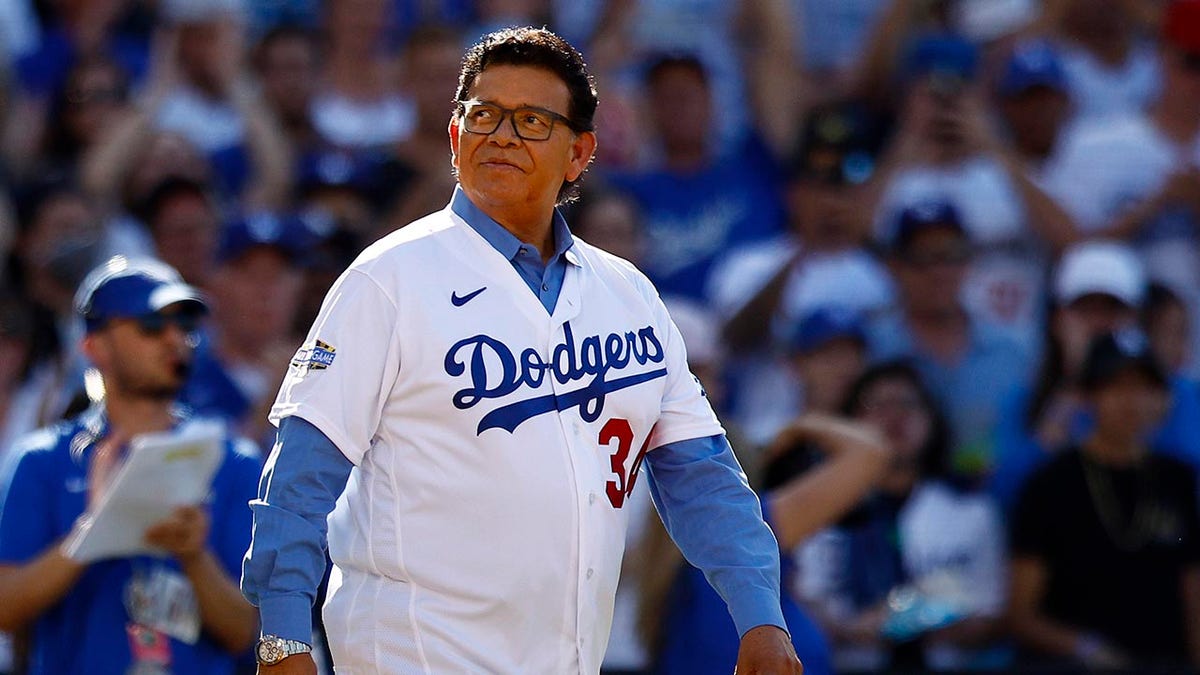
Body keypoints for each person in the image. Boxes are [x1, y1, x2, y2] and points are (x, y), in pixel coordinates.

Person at [242, 26, 803, 674]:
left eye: (532, 120)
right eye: (483, 114)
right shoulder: (387, 278)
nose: (502, 134)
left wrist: (760, 612)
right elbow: (299, 476)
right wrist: (283, 636)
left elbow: (702, 474)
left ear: (580, 153)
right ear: (455, 138)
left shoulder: (630, 296)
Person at [0, 255, 262, 674]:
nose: (174, 339)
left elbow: (243, 631)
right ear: (94, 345)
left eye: (185, 326)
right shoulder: (41, 461)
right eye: (153, 325)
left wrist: (194, 556)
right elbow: (5, 610)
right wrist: (94, 530)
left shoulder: (233, 460)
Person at [794, 361, 1009, 672]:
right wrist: (849, 629)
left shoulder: (971, 510)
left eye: (908, 404)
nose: (894, 416)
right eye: (877, 405)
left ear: (932, 419)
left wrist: (929, 624)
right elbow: (802, 599)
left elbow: (994, 610)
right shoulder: (821, 508)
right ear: (849, 423)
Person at [1008, 328, 1200, 670]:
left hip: (1165, 663)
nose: (1133, 400)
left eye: (1146, 387)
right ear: (1086, 396)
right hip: (1072, 666)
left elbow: (1192, 588)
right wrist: (1082, 646)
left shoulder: (1178, 478)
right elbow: (1021, 613)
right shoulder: (1050, 482)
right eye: (1116, 386)